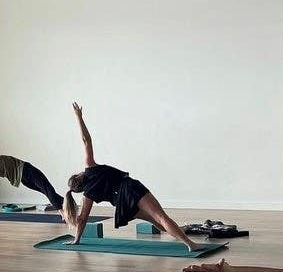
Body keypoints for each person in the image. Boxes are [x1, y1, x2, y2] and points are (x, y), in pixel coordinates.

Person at [62, 103, 206, 252]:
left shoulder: (88, 196)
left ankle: (179, 231)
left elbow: (83, 219)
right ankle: (190, 244)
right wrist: (79, 117)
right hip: (130, 190)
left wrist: (76, 239)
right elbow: (86, 140)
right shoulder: (90, 168)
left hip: (123, 205)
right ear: (79, 175)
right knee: (161, 217)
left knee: (157, 222)